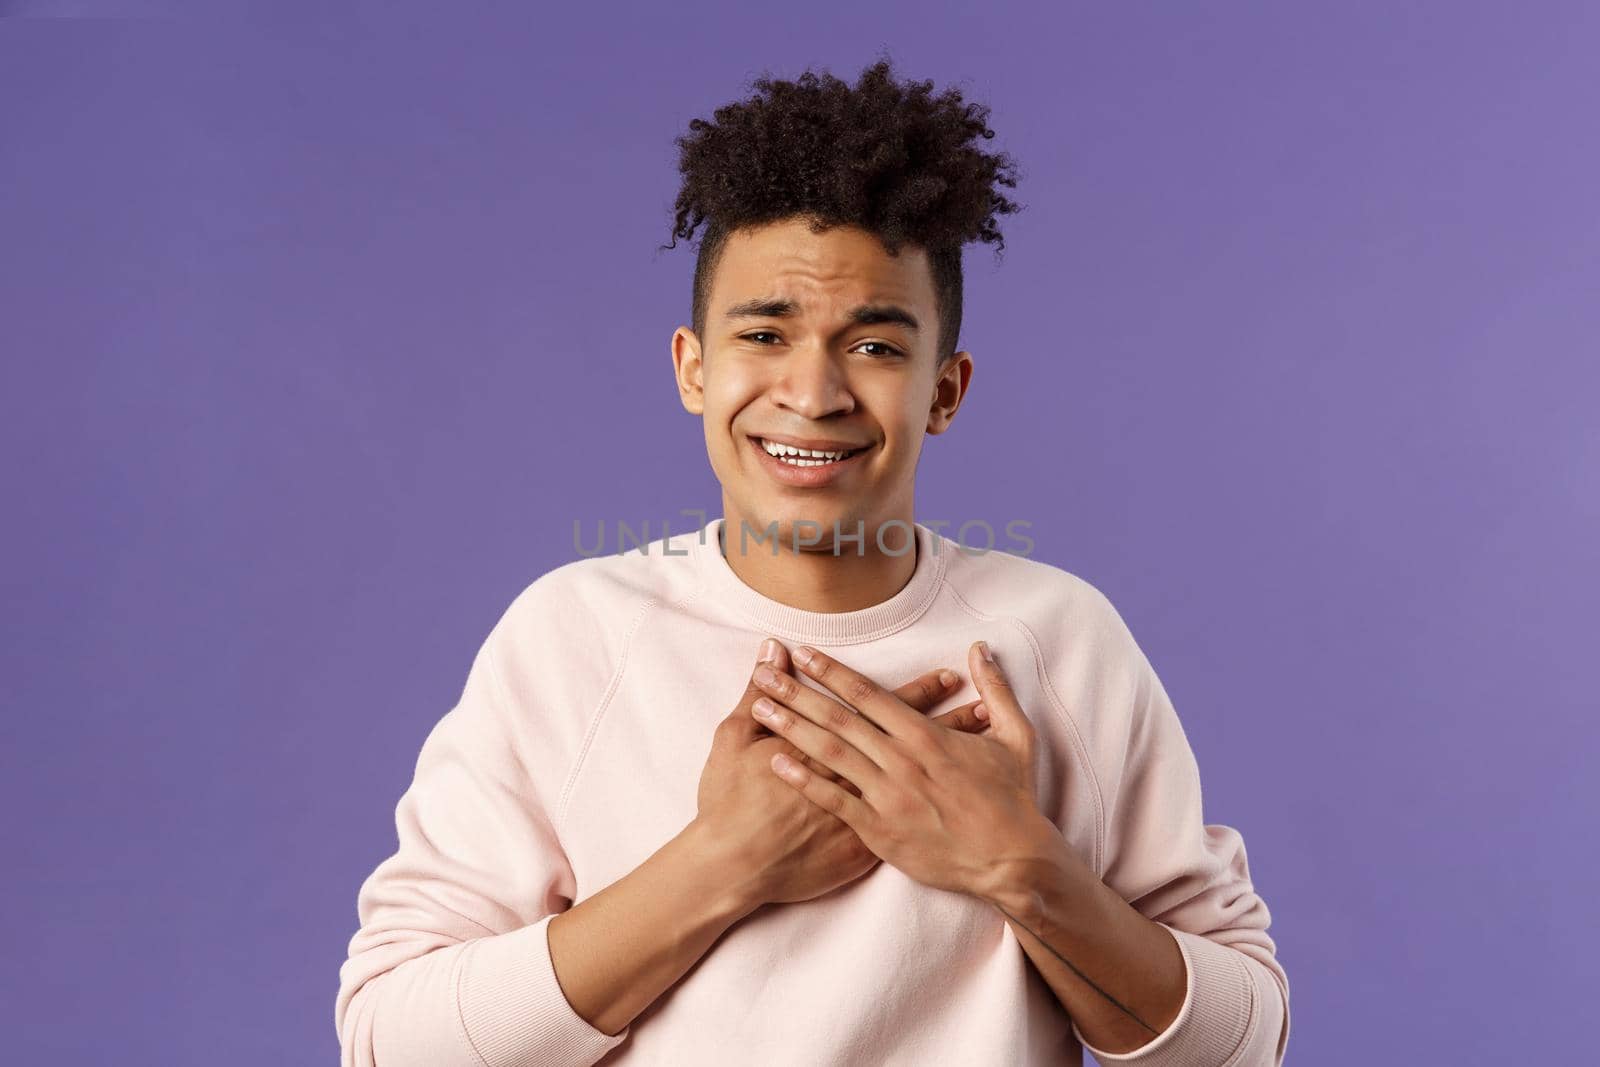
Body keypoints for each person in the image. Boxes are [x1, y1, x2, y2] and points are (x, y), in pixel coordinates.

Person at [335, 56, 1290, 1067]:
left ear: (945, 390)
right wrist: (723, 860)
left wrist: (1018, 863)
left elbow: (1241, 1042)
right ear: (693, 368)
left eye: (874, 346)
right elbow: (390, 1041)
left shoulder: (1056, 638)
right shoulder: (573, 636)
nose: (814, 390)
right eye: (763, 332)